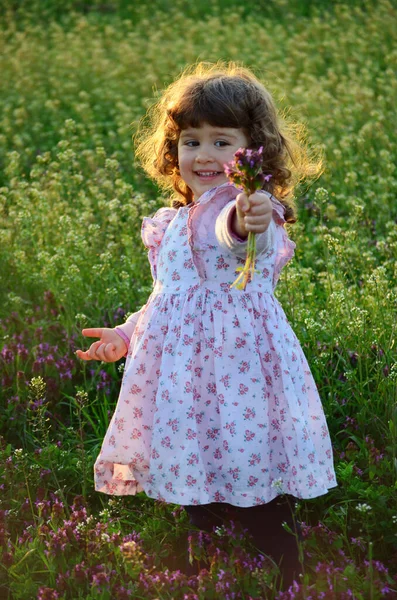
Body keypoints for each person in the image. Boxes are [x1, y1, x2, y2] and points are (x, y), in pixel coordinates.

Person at [76, 61, 338, 590]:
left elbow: (239, 236)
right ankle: (200, 563)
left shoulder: (249, 210)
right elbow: (165, 299)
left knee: (254, 471)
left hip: (241, 376)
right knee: (193, 467)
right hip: (183, 381)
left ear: (254, 151)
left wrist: (249, 214)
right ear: (173, 152)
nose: (205, 155)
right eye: (191, 141)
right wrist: (124, 336)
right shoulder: (169, 223)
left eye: (223, 142)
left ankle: (286, 571)